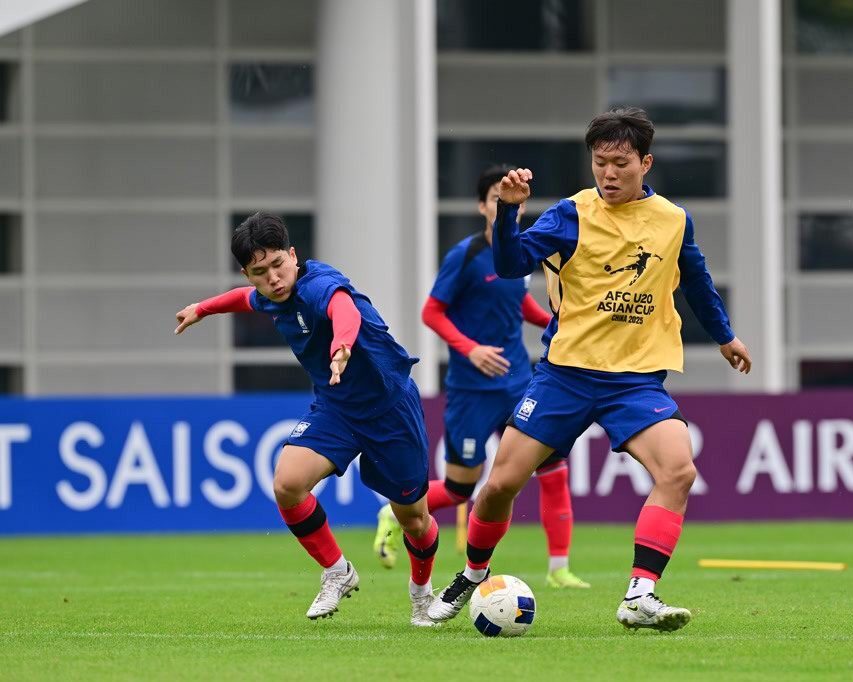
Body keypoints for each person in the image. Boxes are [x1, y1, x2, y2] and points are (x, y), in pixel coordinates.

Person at [428, 108, 752, 631]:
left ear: (645, 162)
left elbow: (695, 281)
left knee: (679, 470)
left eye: (621, 163)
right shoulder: (571, 214)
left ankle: (639, 595)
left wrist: (725, 336)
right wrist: (510, 214)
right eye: (600, 163)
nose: (608, 173)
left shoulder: (672, 220)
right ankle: (471, 573)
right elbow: (511, 265)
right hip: (565, 375)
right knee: (498, 487)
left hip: (635, 380)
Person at [173, 212, 441, 627]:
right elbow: (242, 299)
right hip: (336, 407)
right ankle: (337, 571)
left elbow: (344, 310)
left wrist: (342, 346)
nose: (273, 278)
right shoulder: (266, 294)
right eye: (259, 272)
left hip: (389, 409)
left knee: (414, 518)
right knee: (287, 484)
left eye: (278, 264)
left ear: (294, 256)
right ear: (249, 274)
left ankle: (422, 596)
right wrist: (202, 309)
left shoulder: (317, 286)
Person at [373, 165, 589, 589]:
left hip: (519, 384)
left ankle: (559, 568)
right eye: (495, 196)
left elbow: (518, 303)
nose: (505, 203)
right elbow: (431, 312)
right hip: (472, 390)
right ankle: (393, 510)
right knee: (459, 489)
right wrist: (470, 348)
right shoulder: (465, 255)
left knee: (554, 470)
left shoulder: (525, 253)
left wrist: (559, 320)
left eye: (513, 199)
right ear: (481, 205)